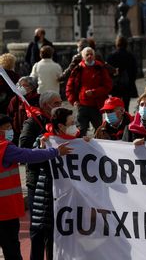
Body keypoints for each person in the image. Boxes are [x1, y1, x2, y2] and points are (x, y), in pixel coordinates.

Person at [0, 113, 73, 260]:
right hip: (5, 211)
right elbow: (28, 155)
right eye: (7, 128)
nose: (11, 131)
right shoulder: (5, 148)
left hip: (5, 210)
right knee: (11, 249)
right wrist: (56, 151)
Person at [31, 107, 86, 260]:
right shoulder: (44, 139)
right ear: (61, 126)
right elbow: (31, 165)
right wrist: (41, 149)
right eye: (71, 122)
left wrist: (90, 145)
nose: (75, 126)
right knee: (40, 240)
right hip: (46, 198)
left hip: (69, 201)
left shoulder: (79, 140)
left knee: (61, 244)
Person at [65, 46, 113, 135]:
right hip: (82, 105)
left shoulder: (100, 68)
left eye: (91, 54)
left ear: (94, 56)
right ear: (83, 57)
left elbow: (108, 86)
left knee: (99, 130)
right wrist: (73, 100)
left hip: (96, 105)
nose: (90, 56)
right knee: (81, 130)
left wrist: (94, 92)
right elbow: (69, 87)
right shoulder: (78, 69)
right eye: (87, 55)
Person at [105, 35, 139, 110]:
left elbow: (107, 71)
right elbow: (135, 71)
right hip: (127, 84)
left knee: (116, 105)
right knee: (126, 106)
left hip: (115, 85)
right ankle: (126, 119)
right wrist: (131, 80)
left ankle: (118, 119)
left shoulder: (111, 56)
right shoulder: (130, 56)